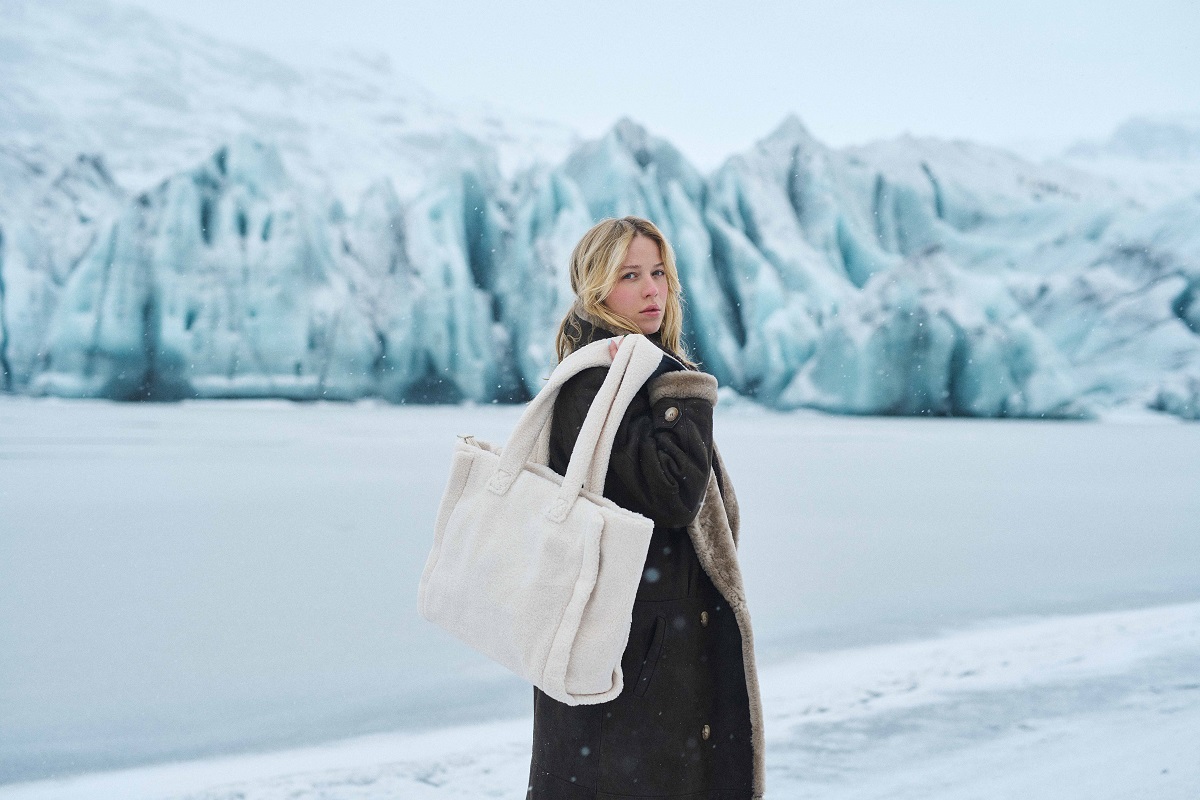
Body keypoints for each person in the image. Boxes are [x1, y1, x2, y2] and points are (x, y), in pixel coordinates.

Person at [527, 216, 764, 799]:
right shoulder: (596, 384)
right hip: (632, 663)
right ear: (596, 287)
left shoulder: (632, 376)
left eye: (658, 273)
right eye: (629, 276)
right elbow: (675, 495)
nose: (652, 290)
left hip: (650, 653)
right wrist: (682, 389)